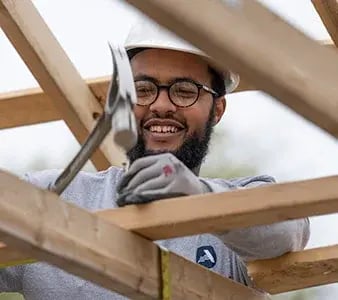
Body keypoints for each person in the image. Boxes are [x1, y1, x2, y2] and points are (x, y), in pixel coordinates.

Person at [0, 19, 309, 299]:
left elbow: (286, 231)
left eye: (184, 91)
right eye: (143, 89)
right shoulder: (55, 198)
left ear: (216, 110)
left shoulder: (234, 216)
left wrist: (198, 199)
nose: (161, 105)